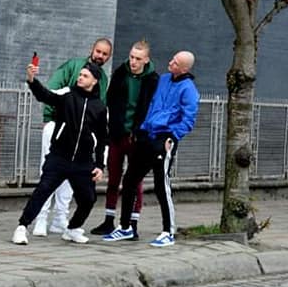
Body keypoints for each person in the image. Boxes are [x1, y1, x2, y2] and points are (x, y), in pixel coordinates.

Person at [103, 51, 199, 247]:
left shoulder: (188, 89)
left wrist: (173, 136)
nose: (170, 63)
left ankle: (168, 231)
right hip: (146, 135)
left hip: (164, 139)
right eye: (172, 59)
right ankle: (126, 227)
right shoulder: (163, 79)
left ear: (185, 68)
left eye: (176, 62)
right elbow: (151, 103)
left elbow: (189, 118)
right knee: (129, 180)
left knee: (161, 184)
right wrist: (142, 127)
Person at [12, 60, 108, 245]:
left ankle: (72, 229)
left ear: (94, 81)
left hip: (82, 162)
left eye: (85, 76)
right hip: (59, 157)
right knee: (43, 190)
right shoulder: (67, 95)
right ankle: (22, 227)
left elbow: (103, 139)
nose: (80, 77)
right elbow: (45, 96)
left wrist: (99, 166)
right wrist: (32, 80)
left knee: (88, 198)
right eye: (80, 75)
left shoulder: (100, 108)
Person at [33, 38, 112, 236]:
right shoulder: (73, 65)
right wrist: (50, 117)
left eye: (104, 54)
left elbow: (97, 105)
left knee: (71, 177)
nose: (100, 56)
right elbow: (53, 89)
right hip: (59, 128)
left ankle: (60, 218)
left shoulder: (102, 78)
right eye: (98, 51)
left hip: (81, 135)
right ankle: (41, 219)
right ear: (91, 50)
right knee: (49, 174)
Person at [90, 40, 159, 239]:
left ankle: (131, 223)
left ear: (146, 60)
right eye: (131, 57)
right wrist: (113, 127)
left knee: (134, 181)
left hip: (138, 136)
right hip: (117, 134)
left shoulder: (153, 80)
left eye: (138, 59)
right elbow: (111, 99)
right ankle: (109, 219)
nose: (134, 62)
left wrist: (142, 131)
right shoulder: (121, 73)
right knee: (113, 177)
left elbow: (151, 107)